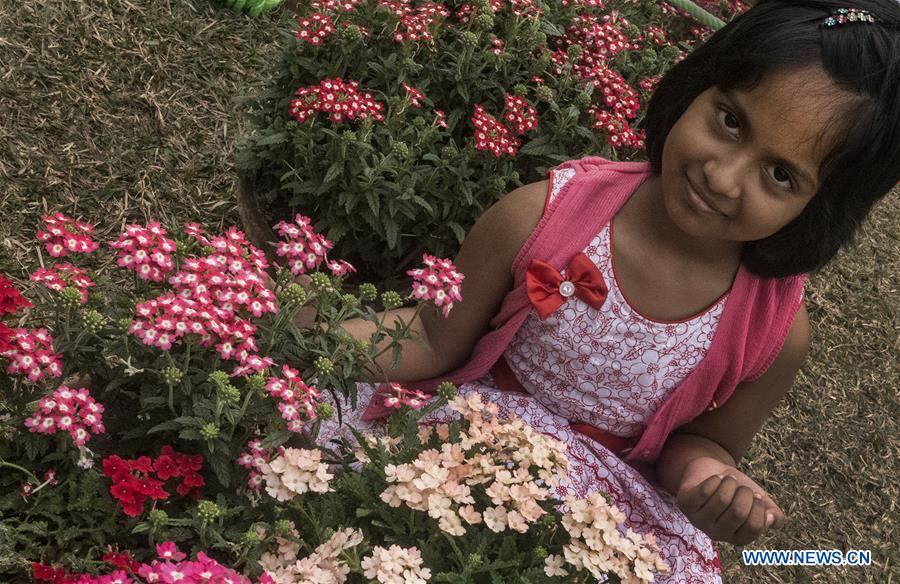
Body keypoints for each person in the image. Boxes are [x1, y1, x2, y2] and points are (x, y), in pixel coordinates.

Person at [314, 0, 900, 581]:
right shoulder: (547, 216)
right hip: (462, 441)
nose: (721, 175)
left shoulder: (774, 332)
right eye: (730, 120)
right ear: (696, 84)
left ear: (822, 208)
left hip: (604, 514)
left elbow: (706, 444)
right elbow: (433, 335)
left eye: (780, 174)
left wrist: (708, 480)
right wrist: (305, 335)